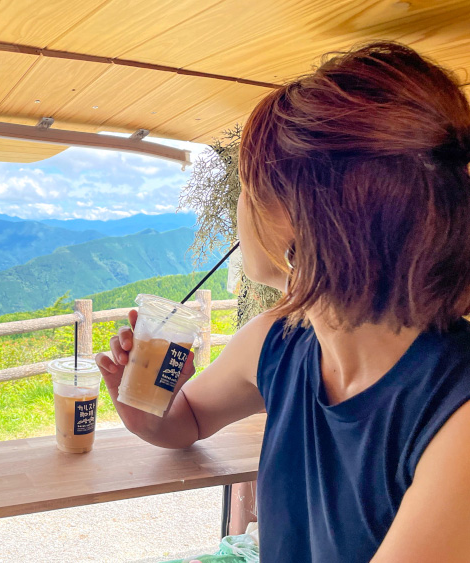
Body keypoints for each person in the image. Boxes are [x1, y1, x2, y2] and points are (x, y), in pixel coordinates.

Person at [95, 42, 470, 563]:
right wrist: (143, 402)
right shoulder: (278, 340)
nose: (238, 209)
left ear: (295, 218)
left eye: (245, 188)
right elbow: (187, 421)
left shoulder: (457, 414)